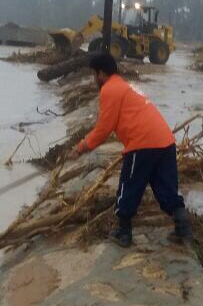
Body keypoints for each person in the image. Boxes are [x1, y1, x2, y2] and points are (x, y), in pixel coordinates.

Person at [71, 52, 192, 248]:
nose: (94, 79)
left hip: (142, 144)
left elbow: (104, 128)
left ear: (101, 73)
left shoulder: (109, 89)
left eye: (94, 75)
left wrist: (81, 147)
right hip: (165, 140)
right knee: (166, 188)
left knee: (129, 186)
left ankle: (123, 233)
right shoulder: (126, 87)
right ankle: (183, 230)